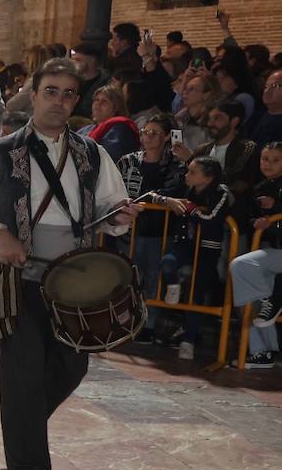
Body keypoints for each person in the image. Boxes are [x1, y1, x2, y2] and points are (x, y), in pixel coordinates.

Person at [0, 57, 140, 470]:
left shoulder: (93, 154)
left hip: (76, 285)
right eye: (50, 91)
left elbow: (112, 210)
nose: (59, 101)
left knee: (72, 367)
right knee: (23, 374)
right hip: (19, 281)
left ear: (77, 100)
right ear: (33, 95)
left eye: (68, 93)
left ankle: (22, 432)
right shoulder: (0, 152)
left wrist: (123, 217)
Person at [117, 113, 185, 343]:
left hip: (159, 230)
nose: (148, 137)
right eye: (146, 132)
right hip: (129, 229)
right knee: (127, 276)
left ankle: (149, 324)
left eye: (155, 133)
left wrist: (155, 200)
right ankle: (125, 322)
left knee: (153, 278)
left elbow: (174, 191)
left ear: (167, 137)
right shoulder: (128, 161)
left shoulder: (174, 164)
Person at [156, 155, 231, 361]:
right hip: (185, 243)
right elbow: (155, 195)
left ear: (208, 178)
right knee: (167, 262)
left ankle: (188, 340)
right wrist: (167, 201)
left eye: (192, 172)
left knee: (197, 294)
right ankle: (173, 285)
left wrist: (190, 209)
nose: (186, 175)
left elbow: (213, 219)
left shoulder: (220, 192)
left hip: (207, 249)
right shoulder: (185, 187)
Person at [229, 141, 282, 369]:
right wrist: (260, 221)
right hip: (271, 250)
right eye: (264, 158)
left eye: (275, 160)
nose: (268, 164)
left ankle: (273, 302)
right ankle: (261, 352)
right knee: (244, 275)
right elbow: (244, 217)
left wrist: (276, 208)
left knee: (244, 269)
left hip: (276, 252)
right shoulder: (259, 186)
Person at [80, 86, 140, 161]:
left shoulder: (121, 128)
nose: (98, 104)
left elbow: (110, 156)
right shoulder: (85, 130)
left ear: (116, 108)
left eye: (104, 101)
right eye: (96, 100)